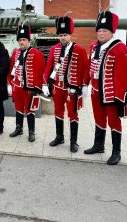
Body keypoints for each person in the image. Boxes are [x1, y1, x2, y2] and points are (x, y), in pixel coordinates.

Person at [84, 11, 127, 165]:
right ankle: (98, 145)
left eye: (105, 30)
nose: (101, 33)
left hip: (111, 93)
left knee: (114, 121)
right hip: (95, 91)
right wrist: (85, 83)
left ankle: (116, 152)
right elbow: (88, 66)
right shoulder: (93, 46)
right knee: (98, 119)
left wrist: (124, 97)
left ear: (112, 32)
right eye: (99, 30)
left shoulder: (120, 48)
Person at [42, 16, 89, 152]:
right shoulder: (54, 49)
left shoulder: (79, 49)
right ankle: (59, 137)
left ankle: (73, 142)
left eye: (65, 35)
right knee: (58, 111)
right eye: (61, 35)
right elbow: (48, 67)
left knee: (73, 114)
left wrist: (85, 85)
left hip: (71, 89)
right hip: (57, 87)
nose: (63, 37)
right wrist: (45, 84)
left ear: (70, 35)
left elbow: (85, 69)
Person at [7, 24, 45, 142]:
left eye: (24, 40)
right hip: (17, 87)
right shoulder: (15, 53)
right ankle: (19, 128)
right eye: (20, 40)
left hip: (29, 88)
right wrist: (9, 83)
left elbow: (41, 72)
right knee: (18, 108)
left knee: (30, 110)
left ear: (28, 40)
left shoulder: (36, 53)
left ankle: (31, 132)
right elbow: (11, 69)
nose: (21, 42)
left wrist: (40, 87)